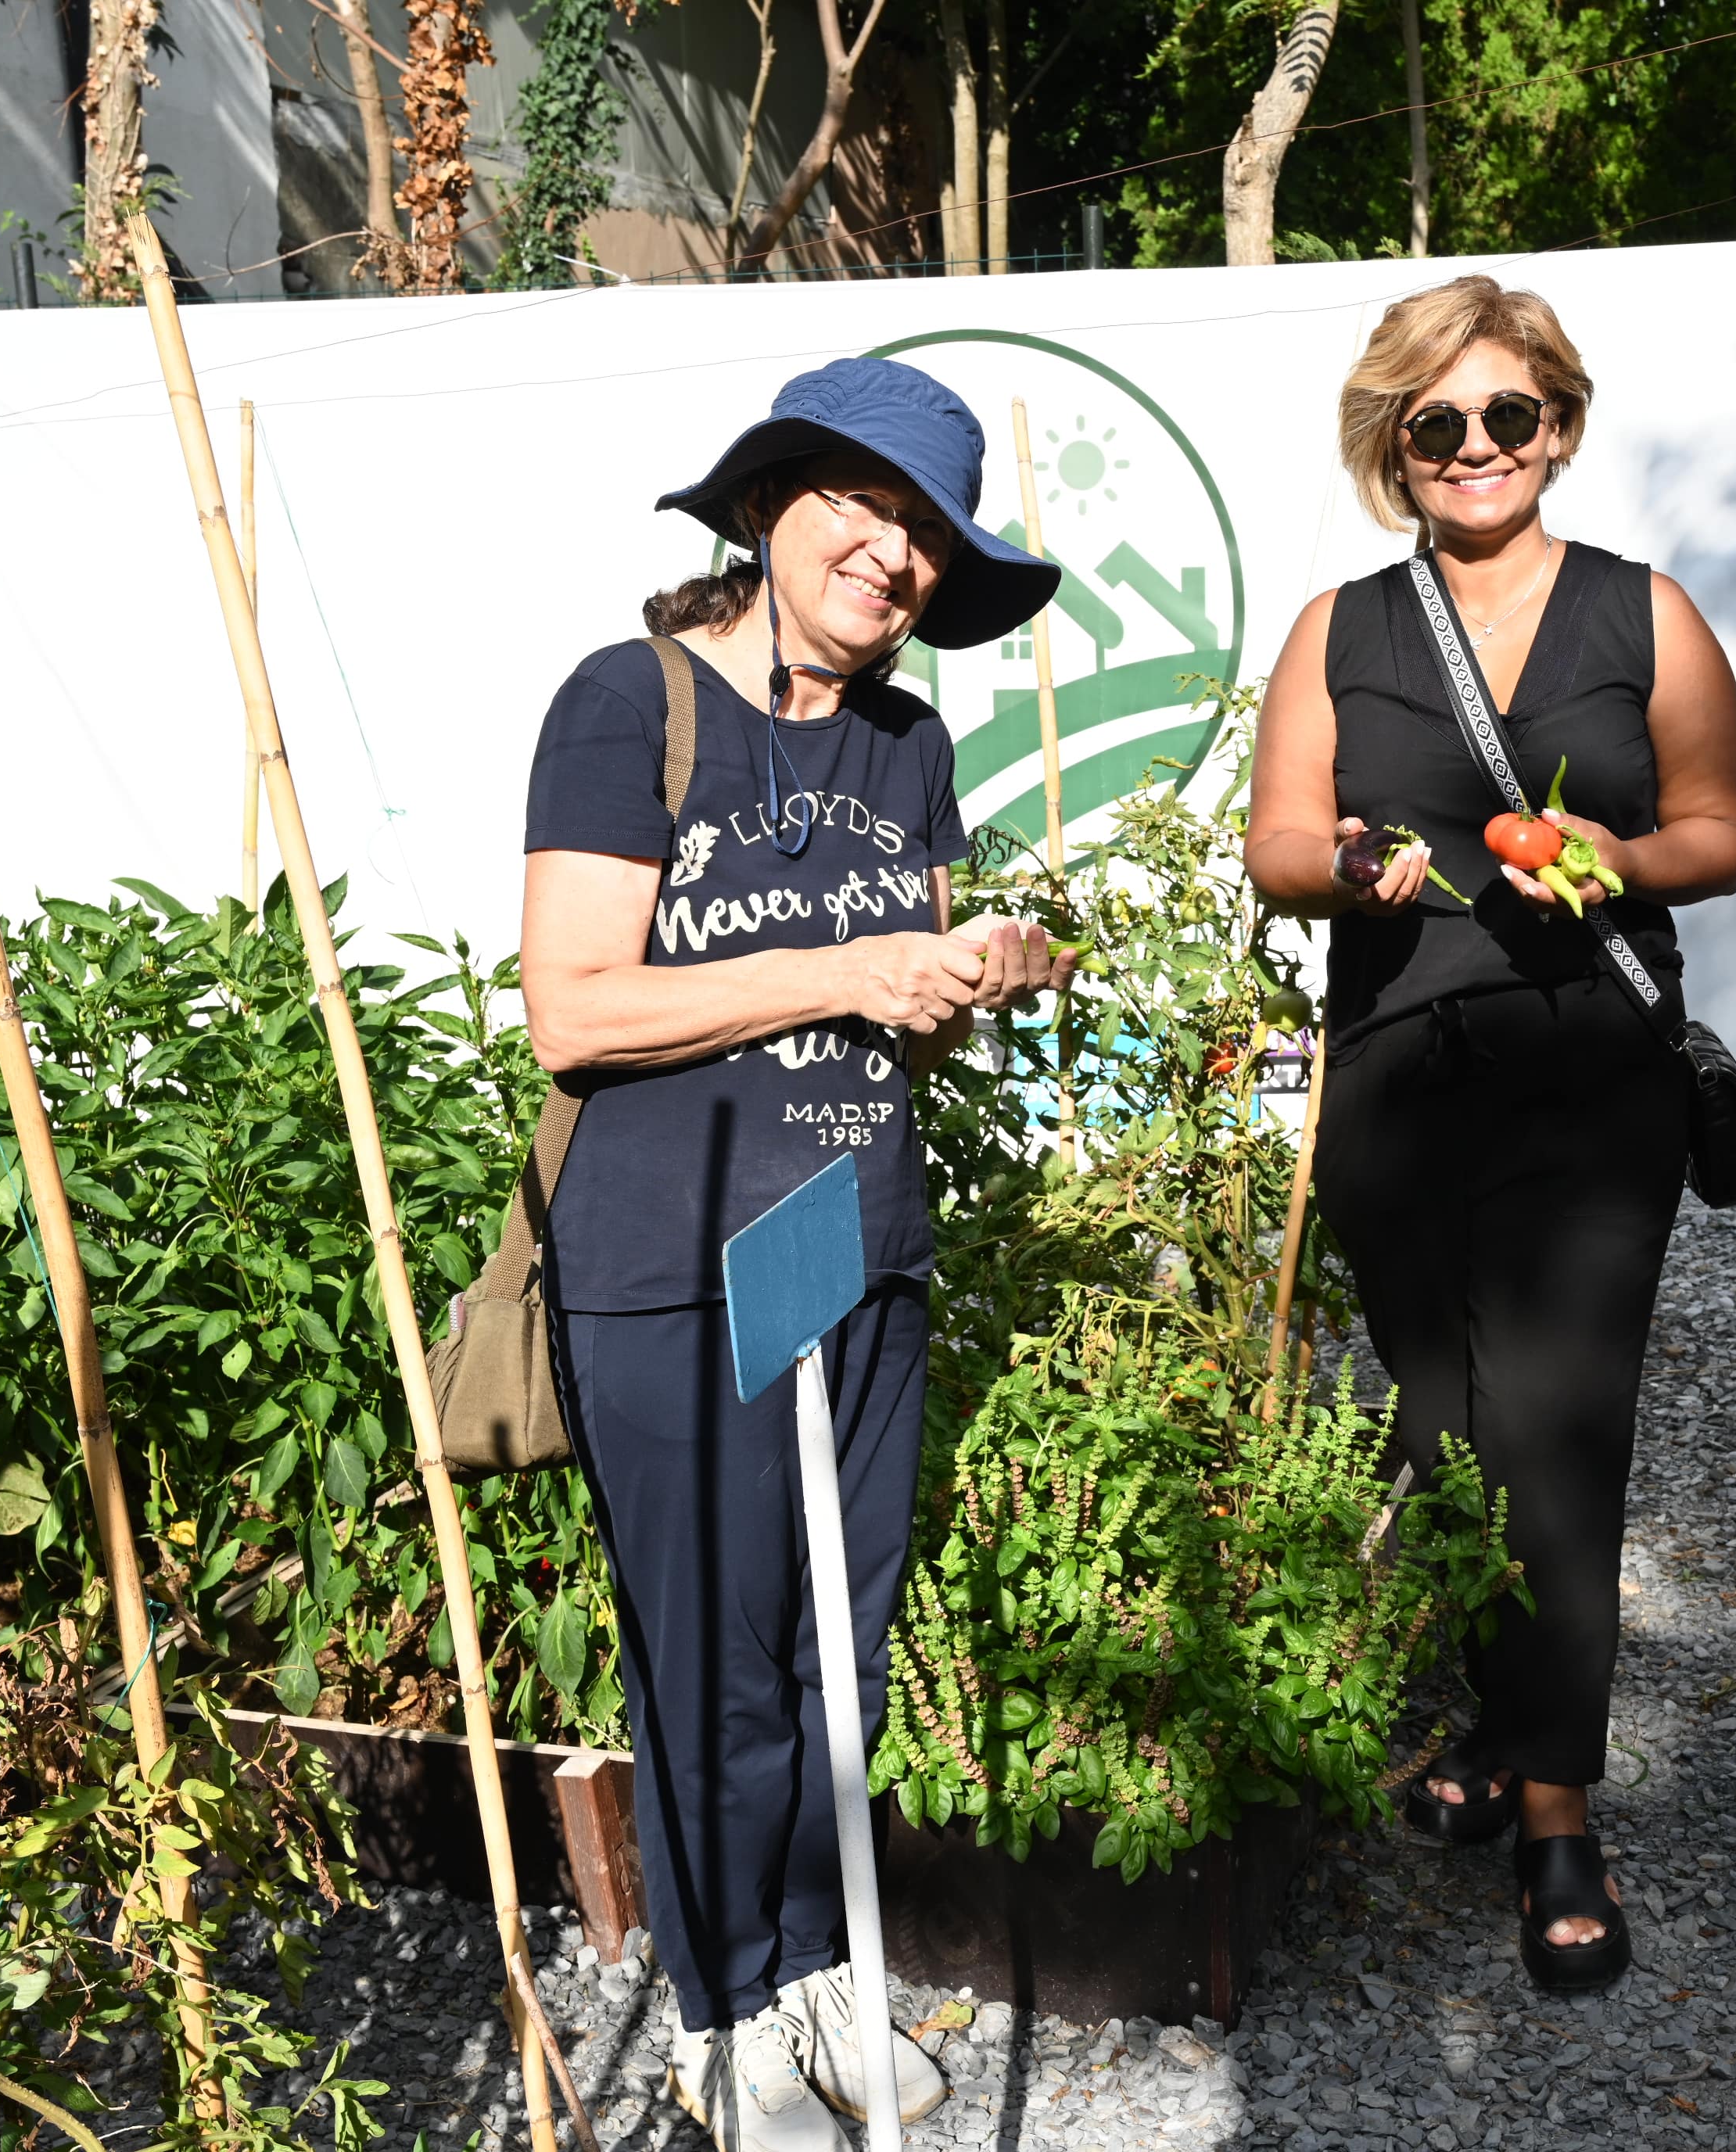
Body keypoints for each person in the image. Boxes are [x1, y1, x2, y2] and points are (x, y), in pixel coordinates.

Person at [519, 357, 1075, 2150]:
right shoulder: (631, 700)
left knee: (846, 1646)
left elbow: (902, 1003)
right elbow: (574, 1008)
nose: (895, 555)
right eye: (867, 506)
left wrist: (987, 964)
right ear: (773, 506)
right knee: (715, 1653)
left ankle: (831, 1966)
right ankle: (723, 2002)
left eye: (928, 534)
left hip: (852, 1237)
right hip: (676, 1258)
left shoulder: (907, 745)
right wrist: (844, 968)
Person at [1244, 275, 1736, 1993]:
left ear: (1562, 422)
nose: (1476, 448)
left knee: (1557, 1428)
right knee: (1437, 1424)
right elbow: (1278, 843)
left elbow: (1721, 831)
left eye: (1507, 416)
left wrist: (1599, 851)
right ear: (1395, 447)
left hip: (1590, 1074)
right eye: (1437, 424)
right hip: (1397, 1063)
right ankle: (1494, 1709)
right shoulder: (1339, 626)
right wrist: (1356, 865)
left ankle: (1556, 1805)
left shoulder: (1647, 614)